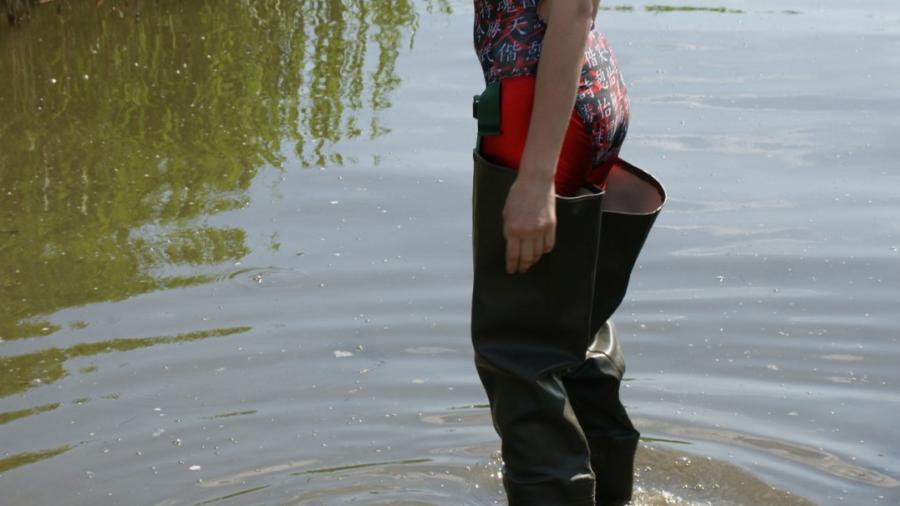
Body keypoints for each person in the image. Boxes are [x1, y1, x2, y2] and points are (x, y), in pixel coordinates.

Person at [469, 0, 666, 504]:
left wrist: (536, 183)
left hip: (538, 112)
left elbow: (573, 8)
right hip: (581, 91)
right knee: (574, 329)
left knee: (519, 355)